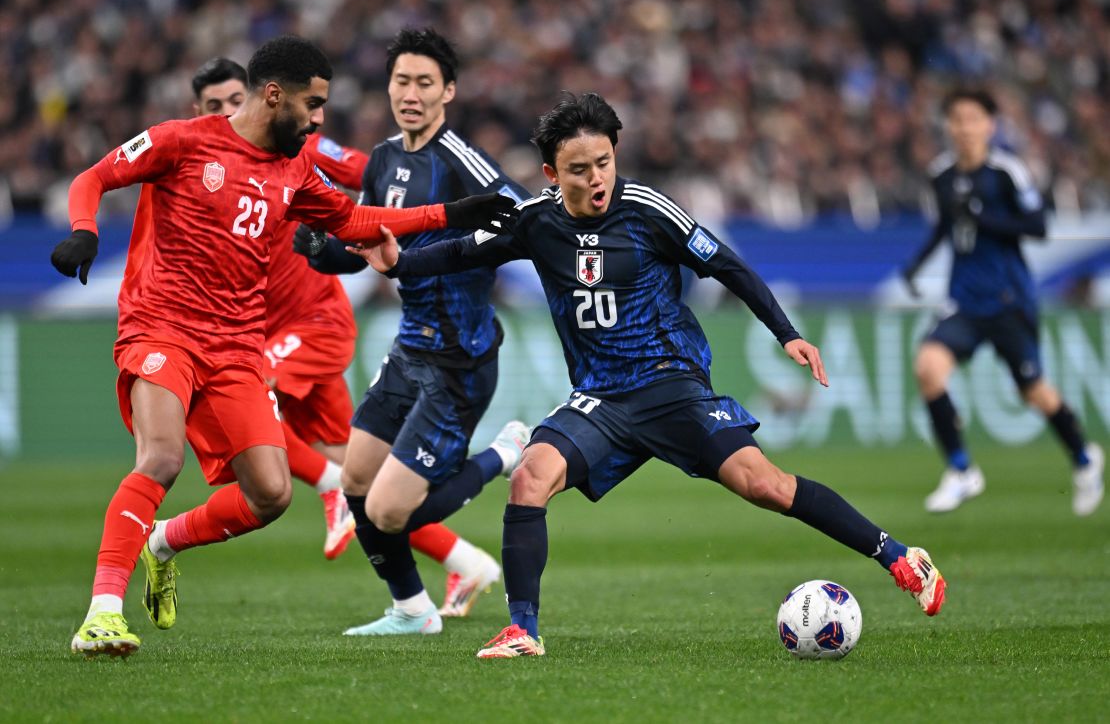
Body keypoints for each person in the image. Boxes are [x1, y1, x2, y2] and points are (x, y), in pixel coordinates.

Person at [359, 92, 947, 659]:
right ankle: (523, 629)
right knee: (530, 478)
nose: (596, 179)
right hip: (600, 397)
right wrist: (401, 261)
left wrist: (787, 333)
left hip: (670, 383)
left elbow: (728, 265)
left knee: (764, 485)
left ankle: (897, 555)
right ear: (550, 171)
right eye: (579, 169)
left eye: (604, 163)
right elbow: (464, 251)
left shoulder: (647, 210)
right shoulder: (534, 220)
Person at [52, 34, 517, 658]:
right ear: (276, 96)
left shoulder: (295, 167)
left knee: (269, 495)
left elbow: (353, 222)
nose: (321, 119)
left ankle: (160, 542)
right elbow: (93, 177)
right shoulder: (182, 141)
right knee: (161, 458)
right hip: (162, 328)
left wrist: (452, 213)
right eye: (314, 104)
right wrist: (83, 230)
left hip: (240, 346)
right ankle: (103, 612)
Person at [193, 58, 496, 574]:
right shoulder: (199, 165)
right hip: (266, 329)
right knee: (362, 479)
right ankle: (465, 564)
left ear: (261, 97)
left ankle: (332, 490)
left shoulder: (300, 146)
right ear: (198, 113)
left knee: (237, 400)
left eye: (233, 100)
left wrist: (420, 201)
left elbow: (369, 174)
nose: (227, 112)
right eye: (213, 107)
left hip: (315, 324)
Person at [295, 28, 531, 633]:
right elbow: (369, 242)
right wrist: (324, 252)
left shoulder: (464, 162)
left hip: (460, 360)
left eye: (426, 82)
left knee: (388, 508)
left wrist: (478, 250)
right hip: (409, 349)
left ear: (448, 91)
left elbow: (527, 218)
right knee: (354, 480)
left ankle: (503, 454)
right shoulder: (383, 159)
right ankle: (412, 609)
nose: (412, 93)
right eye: (403, 80)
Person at [903, 88, 1104, 516]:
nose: (964, 127)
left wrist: (984, 217)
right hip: (963, 300)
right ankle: (961, 470)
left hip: (1009, 299)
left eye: (973, 119)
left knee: (1034, 391)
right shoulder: (941, 175)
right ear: (948, 126)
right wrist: (916, 265)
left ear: (990, 125)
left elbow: (1038, 226)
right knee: (928, 368)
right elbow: (946, 226)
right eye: (956, 119)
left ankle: (1085, 460)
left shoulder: (1006, 172)